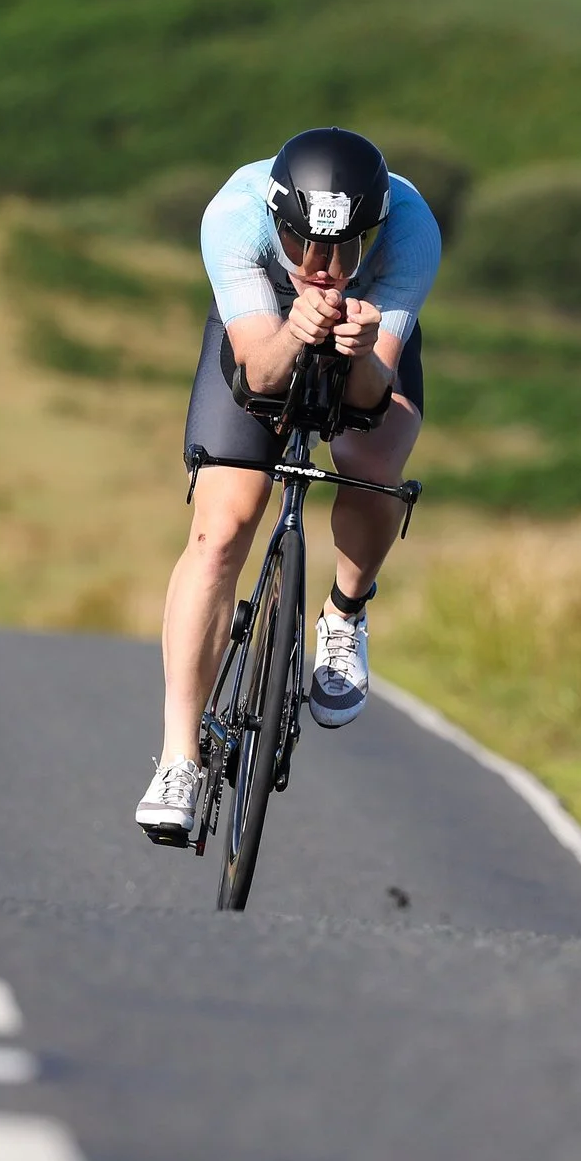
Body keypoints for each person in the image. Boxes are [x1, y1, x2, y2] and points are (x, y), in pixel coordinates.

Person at [134, 128, 441, 844]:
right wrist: (294, 332)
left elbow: (369, 399)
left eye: (342, 249)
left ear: (375, 230)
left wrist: (359, 351)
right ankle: (178, 758)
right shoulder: (233, 217)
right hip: (258, 332)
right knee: (221, 528)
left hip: (368, 342)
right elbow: (259, 378)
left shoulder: (412, 230)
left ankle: (343, 617)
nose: (323, 267)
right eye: (303, 245)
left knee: (374, 458)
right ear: (277, 222)